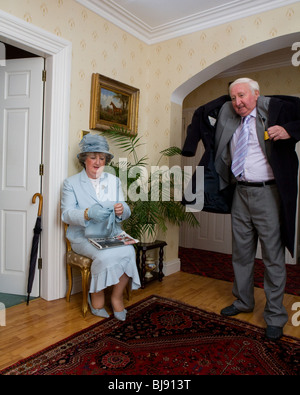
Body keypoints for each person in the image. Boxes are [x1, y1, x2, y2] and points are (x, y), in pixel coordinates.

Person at [214, 78, 300, 340]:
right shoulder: (231, 120)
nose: (237, 102)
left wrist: (290, 130)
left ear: (256, 95)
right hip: (241, 192)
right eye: (233, 98)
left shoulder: (275, 111)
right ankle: (243, 302)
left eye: (242, 96)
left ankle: (275, 316)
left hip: (268, 193)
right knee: (240, 253)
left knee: (273, 257)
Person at [61, 133, 140, 321]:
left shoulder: (113, 181)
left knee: (129, 252)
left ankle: (116, 297)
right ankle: (96, 297)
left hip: (111, 232)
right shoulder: (70, 183)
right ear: (84, 159)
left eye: (102, 158)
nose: (98, 162)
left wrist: (122, 209)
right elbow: (66, 214)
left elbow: (125, 208)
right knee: (104, 256)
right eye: (93, 156)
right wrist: (87, 214)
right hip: (83, 236)